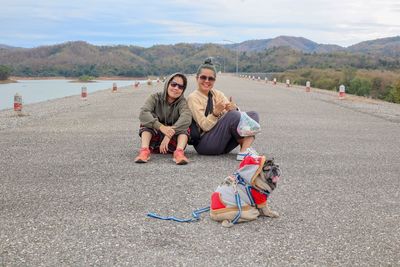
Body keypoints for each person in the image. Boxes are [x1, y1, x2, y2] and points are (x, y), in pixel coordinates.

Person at [187, 58, 260, 160]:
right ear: (197, 78)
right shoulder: (193, 98)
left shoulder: (217, 94)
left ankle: (244, 149)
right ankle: (245, 150)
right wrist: (215, 113)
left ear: (214, 80)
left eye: (210, 78)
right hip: (205, 144)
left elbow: (235, 116)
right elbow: (204, 126)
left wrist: (235, 108)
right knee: (233, 115)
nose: (207, 81)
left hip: (223, 143)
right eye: (203, 77)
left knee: (252, 115)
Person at [135, 73, 191, 165]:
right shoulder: (154, 98)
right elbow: (143, 113)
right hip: (154, 140)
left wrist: (169, 133)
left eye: (180, 87)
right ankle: (144, 151)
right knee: (146, 122)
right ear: (167, 84)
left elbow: (186, 118)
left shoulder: (182, 102)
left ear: (183, 90)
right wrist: (161, 127)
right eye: (173, 84)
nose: (176, 88)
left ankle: (179, 153)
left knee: (185, 127)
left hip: (172, 142)